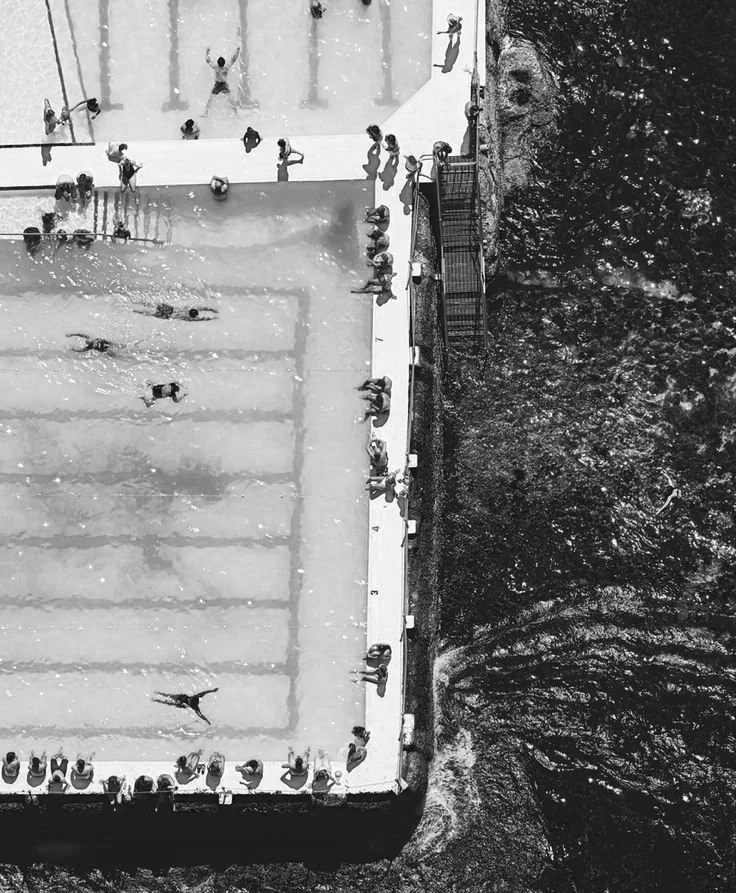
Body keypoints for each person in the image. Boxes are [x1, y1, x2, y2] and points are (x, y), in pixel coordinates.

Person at [203, 43, 241, 115]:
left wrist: (207, 52)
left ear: (218, 63)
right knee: (230, 100)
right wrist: (237, 51)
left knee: (210, 100)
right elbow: (233, 59)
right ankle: (235, 112)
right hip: (223, 84)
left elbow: (208, 61)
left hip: (218, 84)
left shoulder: (216, 68)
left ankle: (206, 113)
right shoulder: (226, 68)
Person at [151, 687, 218, 722]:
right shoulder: (195, 705)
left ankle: (157, 695)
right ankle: (156, 698)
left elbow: (205, 692)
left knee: (168, 697)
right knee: (168, 701)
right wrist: (207, 720)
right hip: (181, 701)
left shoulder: (196, 699)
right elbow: (201, 715)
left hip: (181, 699)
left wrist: (213, 690)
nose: (190, 699)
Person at [135, 303, 218, 321]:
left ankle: (137, 302)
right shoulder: (188, 318)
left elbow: (203, 307)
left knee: (152, 305)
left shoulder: (188, 308)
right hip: (169, 315)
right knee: (151, 314)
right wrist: (212, 318)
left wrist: (212, 310)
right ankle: (136, 311)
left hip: (170, 309)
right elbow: (202, 319)